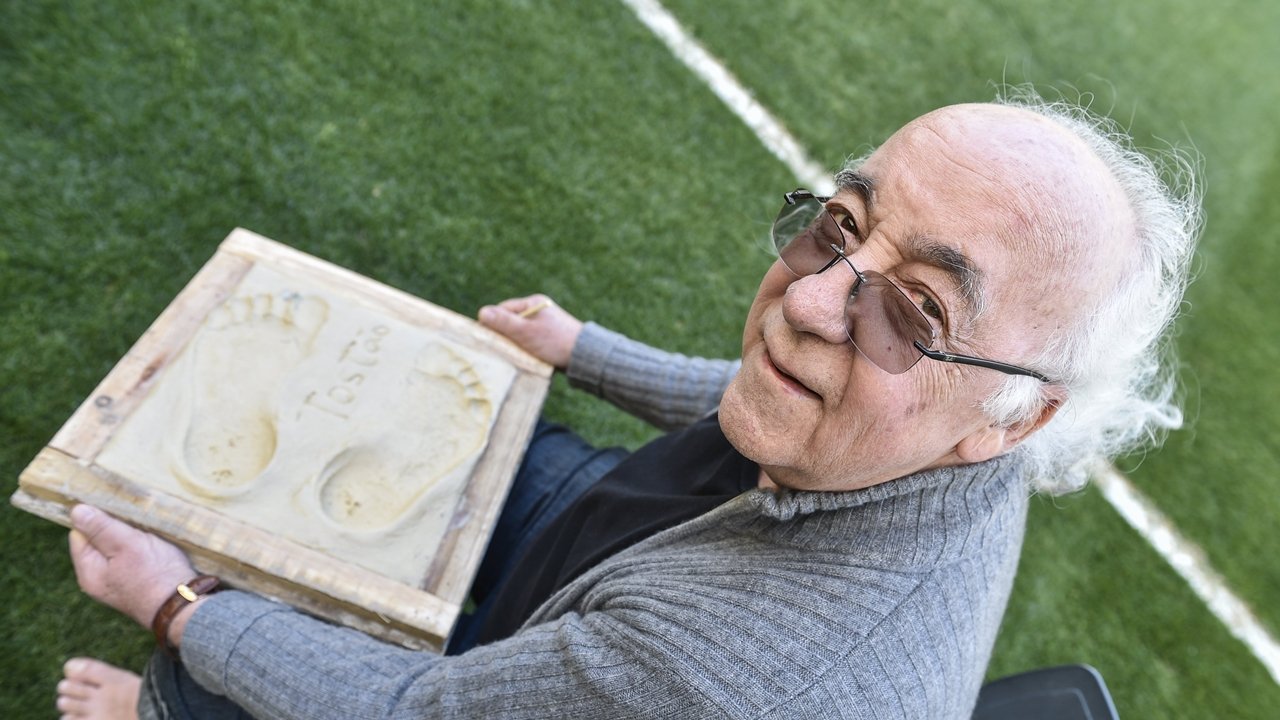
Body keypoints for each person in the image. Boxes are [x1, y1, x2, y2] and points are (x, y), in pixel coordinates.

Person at [55, 93, 1199, 719]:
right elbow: (755, 397)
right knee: (456, 441)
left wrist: (182, 606)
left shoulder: (721, 680)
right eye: (840, 226)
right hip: (622, 557)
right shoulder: (949, 434)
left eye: (914, 309)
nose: (803, 302)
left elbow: (418, 710)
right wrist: (581, 349)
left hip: (590, 658)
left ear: (1015, 418)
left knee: (204, 684)